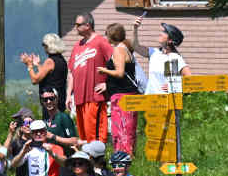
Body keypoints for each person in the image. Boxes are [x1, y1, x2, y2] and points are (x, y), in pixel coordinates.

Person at [97, 22, 146, 153]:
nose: (105, 37)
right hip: (129, 95)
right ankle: (129, 155)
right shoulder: (126, 48)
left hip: (122, 96)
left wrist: (104, 70)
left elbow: (119, 73)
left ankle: (122, 157)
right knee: (129, 130)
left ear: (112, 36)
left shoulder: (118, 50)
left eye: (106, 34)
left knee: (121, 130)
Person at [66, 13, 113, 143]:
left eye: (78, 24)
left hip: (95, 97)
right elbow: (72, 72)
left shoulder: (101, 42)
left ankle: (98, 156)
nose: (75, 27)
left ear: (87, 25)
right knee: (84, 139)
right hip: (79, 99)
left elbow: (116, 63)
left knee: (95, 138)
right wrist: (69, 95)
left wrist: (108, 84)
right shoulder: (77, 46)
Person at [129, 16, 191, 94]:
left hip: (165, 99)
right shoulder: (154, 52)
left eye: (165, 32)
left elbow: (190, 79)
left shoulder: (174, 58)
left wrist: (177, 87)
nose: (161, 33)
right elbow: (135, 46)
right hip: (150, 98)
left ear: (170, 40)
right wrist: (135, 28)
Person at [21, 32, 68, 110]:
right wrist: (38, 65)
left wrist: (29, 65)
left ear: (49, 46)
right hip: (59, 100)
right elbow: (49, 76)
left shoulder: (50, 61)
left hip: (50, 102)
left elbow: (35, 80)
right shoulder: (62, 60)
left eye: (44, 45)